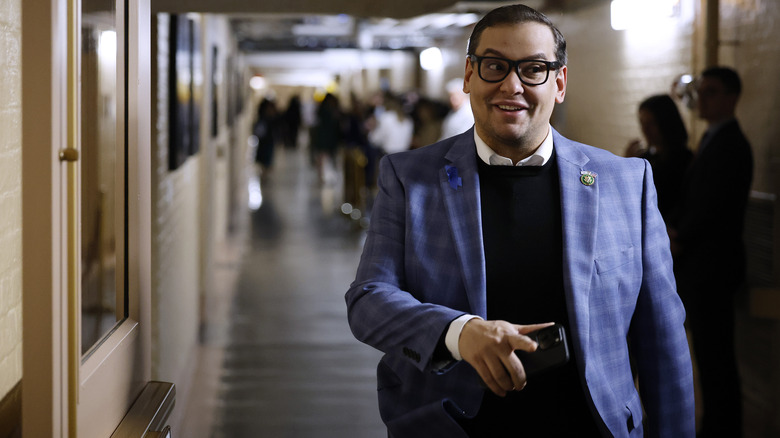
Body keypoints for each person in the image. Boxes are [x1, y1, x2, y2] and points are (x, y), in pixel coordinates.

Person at [345, 4, 694, 437]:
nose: (512, 85)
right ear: (470, 75)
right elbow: (368, 300)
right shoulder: (408, 177)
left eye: (533, 69)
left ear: (559, 83)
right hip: (455, 424)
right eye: (495, 66)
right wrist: (458, 332)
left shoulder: (627, 183)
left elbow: (662, 341)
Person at [669, 66, 753, 438]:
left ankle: (723, 429)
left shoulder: (731, 143)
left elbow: (711, 206)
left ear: (732, 98)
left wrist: (678, 237)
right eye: (701, 91)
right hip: (705, 266)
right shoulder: (712, 139)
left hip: (714, 268)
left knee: (716, 358)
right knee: (709, 356)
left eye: (712, 92)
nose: (702, 98)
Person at [624, 94, 693, 221]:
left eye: (651, 123)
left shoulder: (684, 160)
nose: (645, 130)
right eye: (642, 123)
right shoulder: (646, 158)